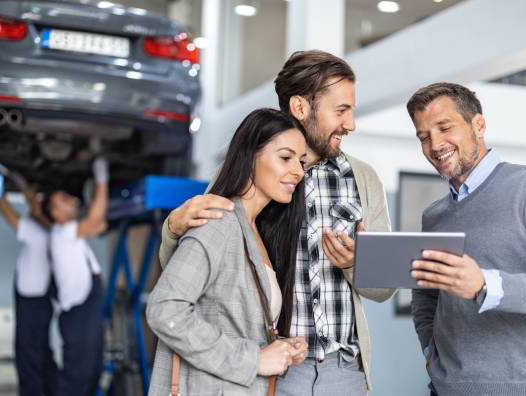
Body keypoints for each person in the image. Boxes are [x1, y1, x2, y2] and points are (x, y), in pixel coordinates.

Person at [158, 50, 395, 395]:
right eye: (341, 111)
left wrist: (357, 265)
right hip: (271, 370)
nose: (351, 124)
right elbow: (186, 274)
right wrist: (174, 228)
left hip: (345, 373)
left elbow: (384, 289)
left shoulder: (364, 179)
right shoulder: (247, 175)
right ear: (300, 107)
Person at [407, 82, 526, 396]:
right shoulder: (433, 216)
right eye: (424, 136)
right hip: (446, 389)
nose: (435, 144)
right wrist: (428, 351)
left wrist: (485, 285)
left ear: (479, 125)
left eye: (444, 127)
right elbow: (425, 297)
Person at [146, 108, 309, 395]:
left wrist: (279, 346)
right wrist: (255, 359)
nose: (298, 170)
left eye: (301, 160)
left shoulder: (256, 232)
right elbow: (164, 309)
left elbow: (228, 319)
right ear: (250, 156)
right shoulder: (218, 224)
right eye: (286, 157)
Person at [41, 158, 109, 396]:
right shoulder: (62, 233)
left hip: (85, 314)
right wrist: (101, 180)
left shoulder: (69, 234)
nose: (71, 199)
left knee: (90, 377)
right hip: (79, 317)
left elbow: (99, 226)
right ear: (56, 214)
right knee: (75, 382)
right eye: (64, 200)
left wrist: (92, 209)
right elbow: (94, 221)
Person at [0, 166, 57, 396]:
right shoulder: (49, 231)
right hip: (39, 305)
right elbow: (37, 207)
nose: (34, 207)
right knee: (41, 356)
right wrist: (22, 184)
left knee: (29, 361)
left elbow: (6, 211)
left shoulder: (36, 233)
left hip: (32, 307)